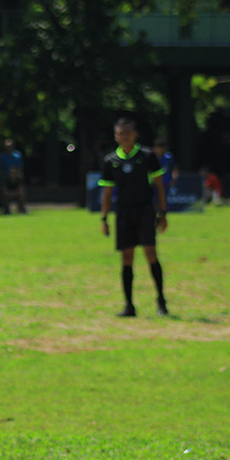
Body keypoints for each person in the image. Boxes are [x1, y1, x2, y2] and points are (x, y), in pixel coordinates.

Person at [99, 117, 169, 317]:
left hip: (145, 210)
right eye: (120, 133)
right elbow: (106, 193)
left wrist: (162, 213)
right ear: (116, 136)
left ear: (135, 135)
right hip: (123, 213)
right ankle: (129, 305)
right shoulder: (110, 161)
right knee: (127, 258)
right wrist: (104, 219)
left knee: (151, 253)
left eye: (127, 133)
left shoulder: (147, 156)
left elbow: (159, 186)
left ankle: (161, 301)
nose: (124, 137)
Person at [0, 137, 26, 214]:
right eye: (7, 146)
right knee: (4, 194)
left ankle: (22, 209)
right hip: (6, 179)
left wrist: (16, 175)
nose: (8, 148)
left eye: (10, 146)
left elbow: (20, 167)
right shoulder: (2, 157)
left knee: (21, 193)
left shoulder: (17, 156)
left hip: (16, 179)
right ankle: (6, 211)